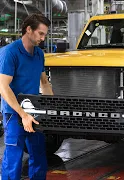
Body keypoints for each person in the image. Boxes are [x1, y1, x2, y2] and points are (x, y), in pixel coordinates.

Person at [0, 14, 53, 180]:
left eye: (45, 34)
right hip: (14, 114)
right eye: (41, 33)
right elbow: (3, 86)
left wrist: (50, 109)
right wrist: (23, 115)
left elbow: (44, 83)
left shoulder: (39, 54)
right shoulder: (10, 53)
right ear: (28, 30)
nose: (43, 38)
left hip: (34, 112)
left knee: (38, 155)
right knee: (13, 158)